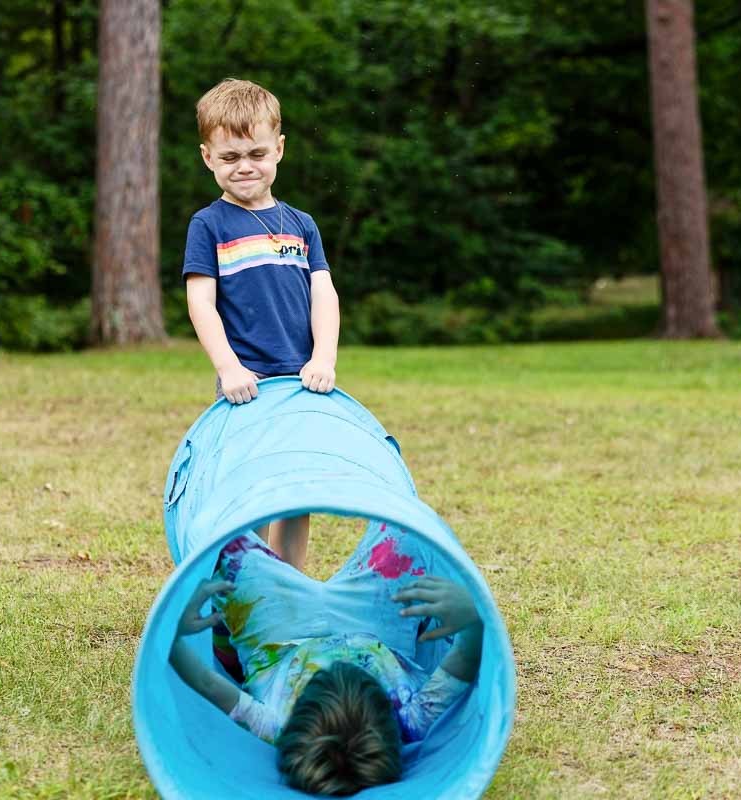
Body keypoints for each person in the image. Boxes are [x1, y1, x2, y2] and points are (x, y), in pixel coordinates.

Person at [168, 523, 484, 796]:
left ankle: (231, 642)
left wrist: (174, 629)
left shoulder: (276, 724)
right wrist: (472, 614)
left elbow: (205, 681)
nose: (337, 666)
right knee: (412, 535)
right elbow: (467, 657)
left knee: (227, 547)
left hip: (280, 637)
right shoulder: (412, 720)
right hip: (375, 628)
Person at [182, 78, 340, 571]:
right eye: (229, 158)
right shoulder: (209, 226)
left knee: (295, 491)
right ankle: (246, 583)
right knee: (244, 488)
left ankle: (288, 585)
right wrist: (229, 368)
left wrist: (324, 358)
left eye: (256, 153)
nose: (244, 166)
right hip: (246, 384)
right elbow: (200, 303)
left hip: (302, 382)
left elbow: (324, 294)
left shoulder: (302, 224)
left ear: (279, 150)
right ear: (208, 157)